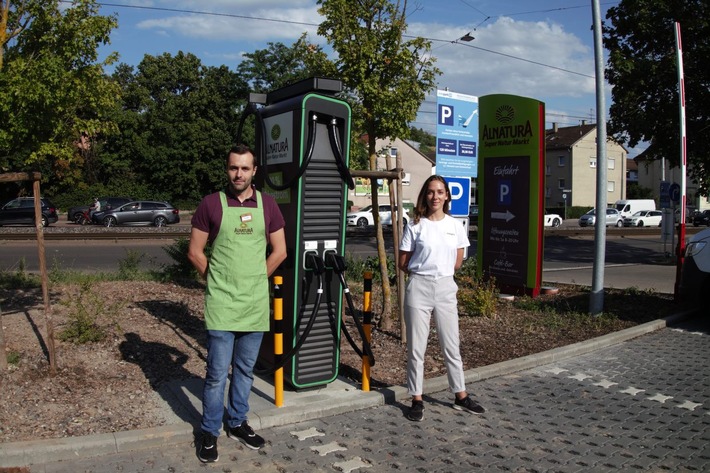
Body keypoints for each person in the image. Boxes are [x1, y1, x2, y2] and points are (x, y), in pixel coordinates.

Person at [188, 144, 287, 463]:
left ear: (254, 171)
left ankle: (238, 422)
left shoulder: (268, 205)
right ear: (227, 169)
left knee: (245, 370)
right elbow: (195, 252)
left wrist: (259, 277)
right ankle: (208, 430)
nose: (239, 173)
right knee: (217, 373)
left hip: (254, 304)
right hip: (222, 306)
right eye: (233, 168)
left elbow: (280, 251)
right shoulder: (210, 204)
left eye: (245, 168)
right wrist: (216, 279)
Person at [398, 175, 485, 422]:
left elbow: (457, 261)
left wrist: (440, 275)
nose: (435, 196)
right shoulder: (415, 225)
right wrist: (424, 272)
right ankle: (416, 398)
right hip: (419, 288)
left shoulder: (455, 225)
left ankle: (460, 395)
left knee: (451, 345)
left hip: (446, 287)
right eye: (430, 192)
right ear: (425, 196)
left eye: (439, 192)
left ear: (447, 196)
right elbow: (403, 262)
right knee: (417, 348)